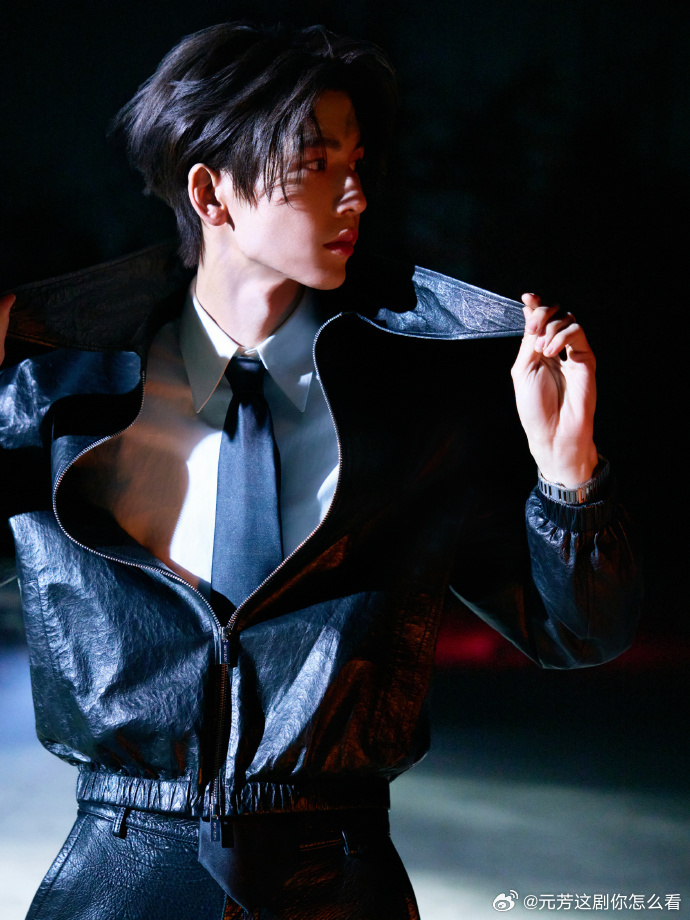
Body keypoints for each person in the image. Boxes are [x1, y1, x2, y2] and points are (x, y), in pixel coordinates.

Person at [0, 21, 640, 920]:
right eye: (315, 163)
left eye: (357, 162)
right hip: (119, 880)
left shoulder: (411, 416)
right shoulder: (56, 400)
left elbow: (579, 635)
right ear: (210, 194)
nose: (356, 195)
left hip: (340, 881)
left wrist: (568, 475)